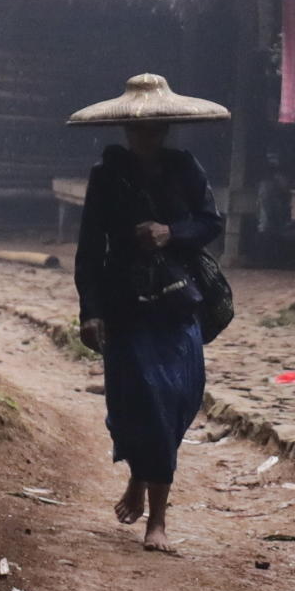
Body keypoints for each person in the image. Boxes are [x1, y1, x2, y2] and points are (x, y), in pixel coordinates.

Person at [73, 109, 223, 551]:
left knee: (177, 397)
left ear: (164, 130)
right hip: (124, 302)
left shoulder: (186, 168)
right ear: (127, 130)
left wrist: (170, 232)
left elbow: (210, 222)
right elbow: (89, 247)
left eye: (152, 129)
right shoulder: (107, 176)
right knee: (134, 399)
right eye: (137, 128)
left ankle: (147, 492)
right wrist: (90, 310)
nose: (145, 136)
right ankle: (151, 504)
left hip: (178, 300)